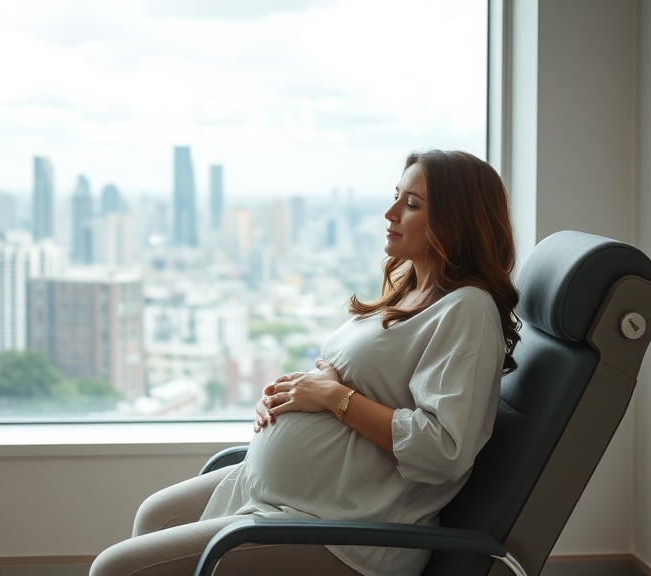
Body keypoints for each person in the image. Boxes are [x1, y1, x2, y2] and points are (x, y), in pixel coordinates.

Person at [89, 149, 521, 576]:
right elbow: (363, 375)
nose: (390, 213)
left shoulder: (467, 309)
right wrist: (295, 392)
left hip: (348, 532)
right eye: (396, 196)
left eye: (411, 204)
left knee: (115, 568)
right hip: (295, 500)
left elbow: (443, 448)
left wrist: (335, 397)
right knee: (154, 517)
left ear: (456, 221)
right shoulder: (408, 290)